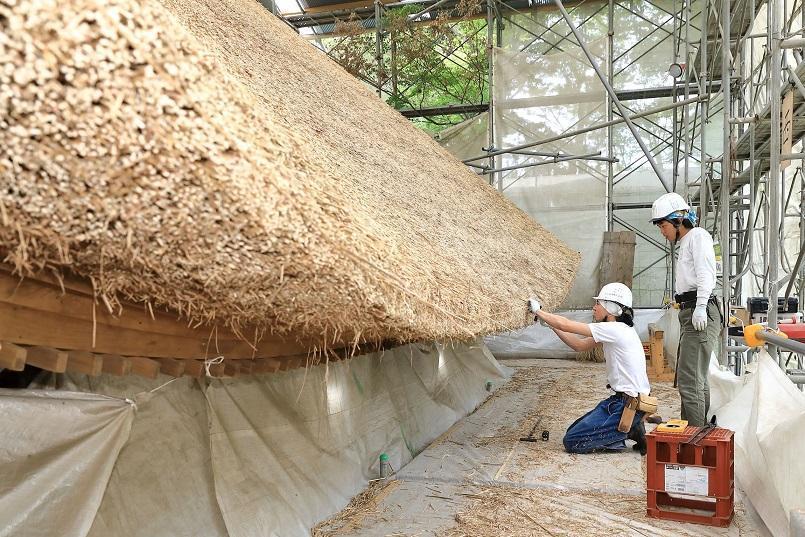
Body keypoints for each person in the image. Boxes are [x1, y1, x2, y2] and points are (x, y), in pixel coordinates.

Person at [530, 283, 651, 454]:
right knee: (573, 431)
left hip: (628, 404)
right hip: (622, 400)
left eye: (598, 304)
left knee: (572, 441)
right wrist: (552, 325)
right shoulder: (618, 330)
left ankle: (627, 430)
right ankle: (631, 427)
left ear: (611, 307)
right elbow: (579, 345)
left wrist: (539, 311)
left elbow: (566, 324)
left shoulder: (615, 329)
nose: (594, 308)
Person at [650, 192, 719, 427]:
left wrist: (700, 307)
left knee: (690, 381)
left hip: (699, 310)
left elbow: (706, 274)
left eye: (663, 225)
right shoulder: (687, 242)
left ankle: (695, 438)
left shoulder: (698, 236)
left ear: (679, 220)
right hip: (691, 310)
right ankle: (697, 430)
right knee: (696, 378)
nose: (662, 231)